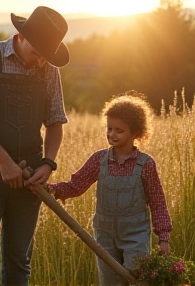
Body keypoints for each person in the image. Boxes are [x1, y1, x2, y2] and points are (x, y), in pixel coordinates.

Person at [0, 6, 70, 286]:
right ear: (21, 35)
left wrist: (48, 162)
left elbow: (55, 121)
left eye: (47, 55)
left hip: (31, 173)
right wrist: (4, 161)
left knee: (19, 262)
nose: (42, 61)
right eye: (37, 53)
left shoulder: (48, 69)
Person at [47, 92, 173, 286]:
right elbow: (76, 185)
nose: (112, 134)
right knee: (109, 282)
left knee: (139, 280)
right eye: (109, 128)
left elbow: (158, 202)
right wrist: (52, 189)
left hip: (135, 236)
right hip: (104, 235)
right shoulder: (99, 160)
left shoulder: (146, 164)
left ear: (136, 133)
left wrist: (163, 238)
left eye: (119, 130)